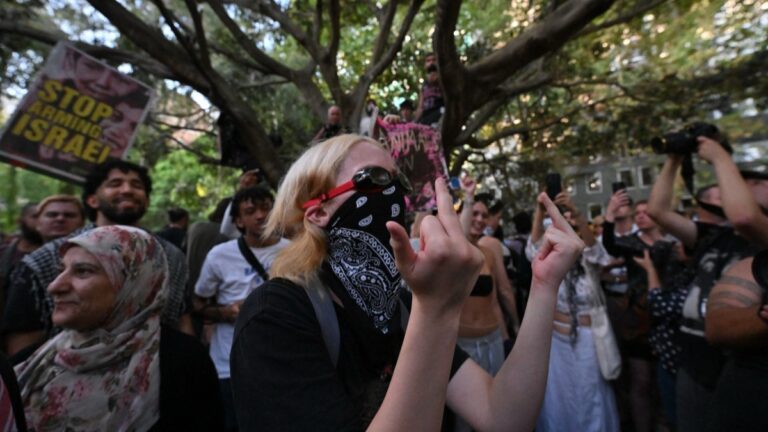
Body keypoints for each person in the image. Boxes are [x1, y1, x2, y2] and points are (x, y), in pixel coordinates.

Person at [230, 134, 586, 431]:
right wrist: (437, 307)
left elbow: (502, 416)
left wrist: (544, 285)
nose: (394, 197)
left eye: (397, 184)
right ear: (318, 212)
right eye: (375, 180)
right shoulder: (274, 317)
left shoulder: (395, 311)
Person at [14, 226, 223, 431]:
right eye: (61, 270)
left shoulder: (181, 362)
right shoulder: (30, 364)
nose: (55, 286)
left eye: (83, 271)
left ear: (132, 282)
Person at [2, 160, 192, 358]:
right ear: (93, 200)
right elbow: (22, 346)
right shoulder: (46, 259)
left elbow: (181, 317)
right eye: (115, 184)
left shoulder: (172, 256)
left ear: (146, 200)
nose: (127, 190)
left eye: (136, 185)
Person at [646, 136, 762, 432]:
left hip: (734, 366)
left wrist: (721, 157)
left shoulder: (759, 237)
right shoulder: (715, 236)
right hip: (692, 364)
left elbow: (745, 217)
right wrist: (674, 159)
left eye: (753, 181)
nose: (737, 186)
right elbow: (658, 211)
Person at [194, 186, 289, 431]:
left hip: (283, 361)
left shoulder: (293, 251)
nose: (260, 215)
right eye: (250, 211)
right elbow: (198, 304)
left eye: (266, 208)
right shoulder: (219, 255)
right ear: (238, 221)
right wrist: (226, 313)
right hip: (231, 365)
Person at [527, 190, 620, 432]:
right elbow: (532, 248)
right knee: (561, 397)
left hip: (589, 340)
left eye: (570, 225)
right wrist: (540, 210)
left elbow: (597, 251)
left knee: (591, 396)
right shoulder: (548, 259)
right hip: (557, 342)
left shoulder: (586, 256)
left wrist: (576, 212)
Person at [0, 203, 42, 349]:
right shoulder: (4, 253)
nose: (40, 221)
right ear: (20, 220)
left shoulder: (55, 258)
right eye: (35, 216)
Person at [414, 53, 444, 127]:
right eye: (428, 61)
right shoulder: (424, 86)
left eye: (434, 60)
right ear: (425, 65)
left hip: (441, 112)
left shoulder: (445, 80)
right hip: (427, 116)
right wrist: (414, 123)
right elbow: (420, 107)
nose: (431, 62)